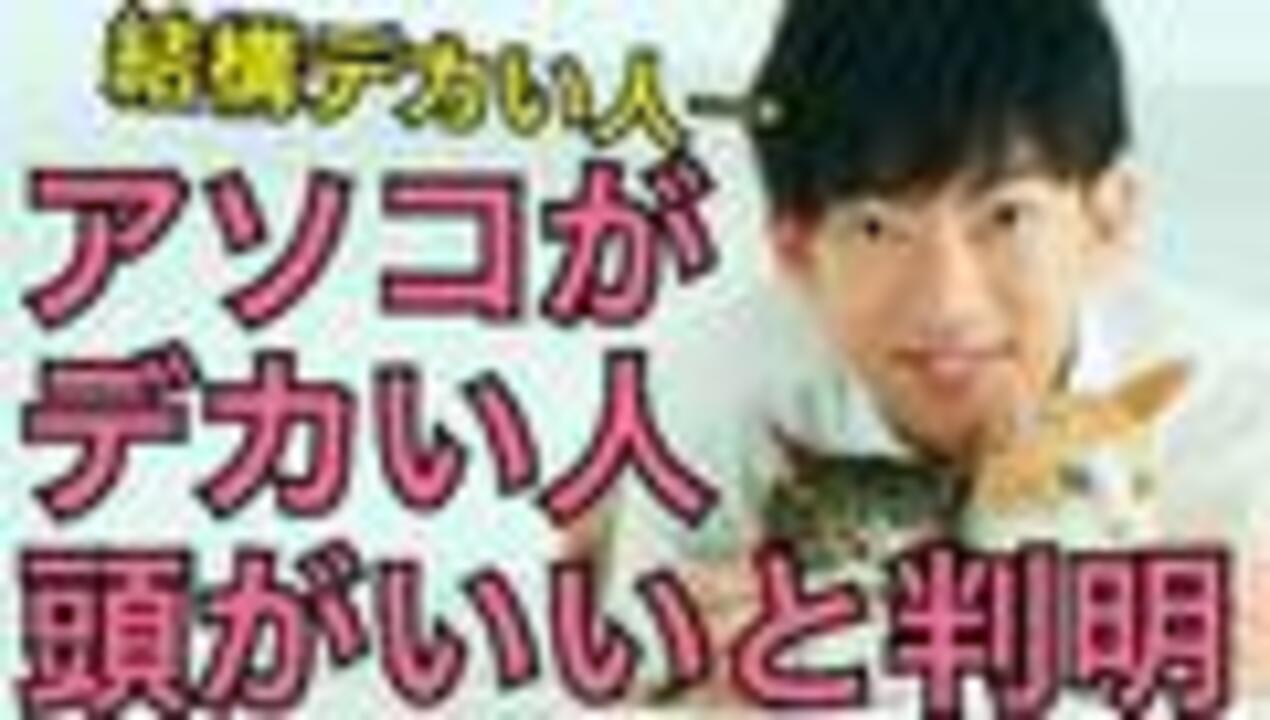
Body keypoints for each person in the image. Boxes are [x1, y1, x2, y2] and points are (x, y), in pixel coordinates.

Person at [601, 0, 1270, 713]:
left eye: (1006, 216)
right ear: (796, 251)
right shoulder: (718, 393)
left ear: (1107, 220)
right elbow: (619, 679)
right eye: (876, 227)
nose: (948, 303)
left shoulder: (1239, 411)